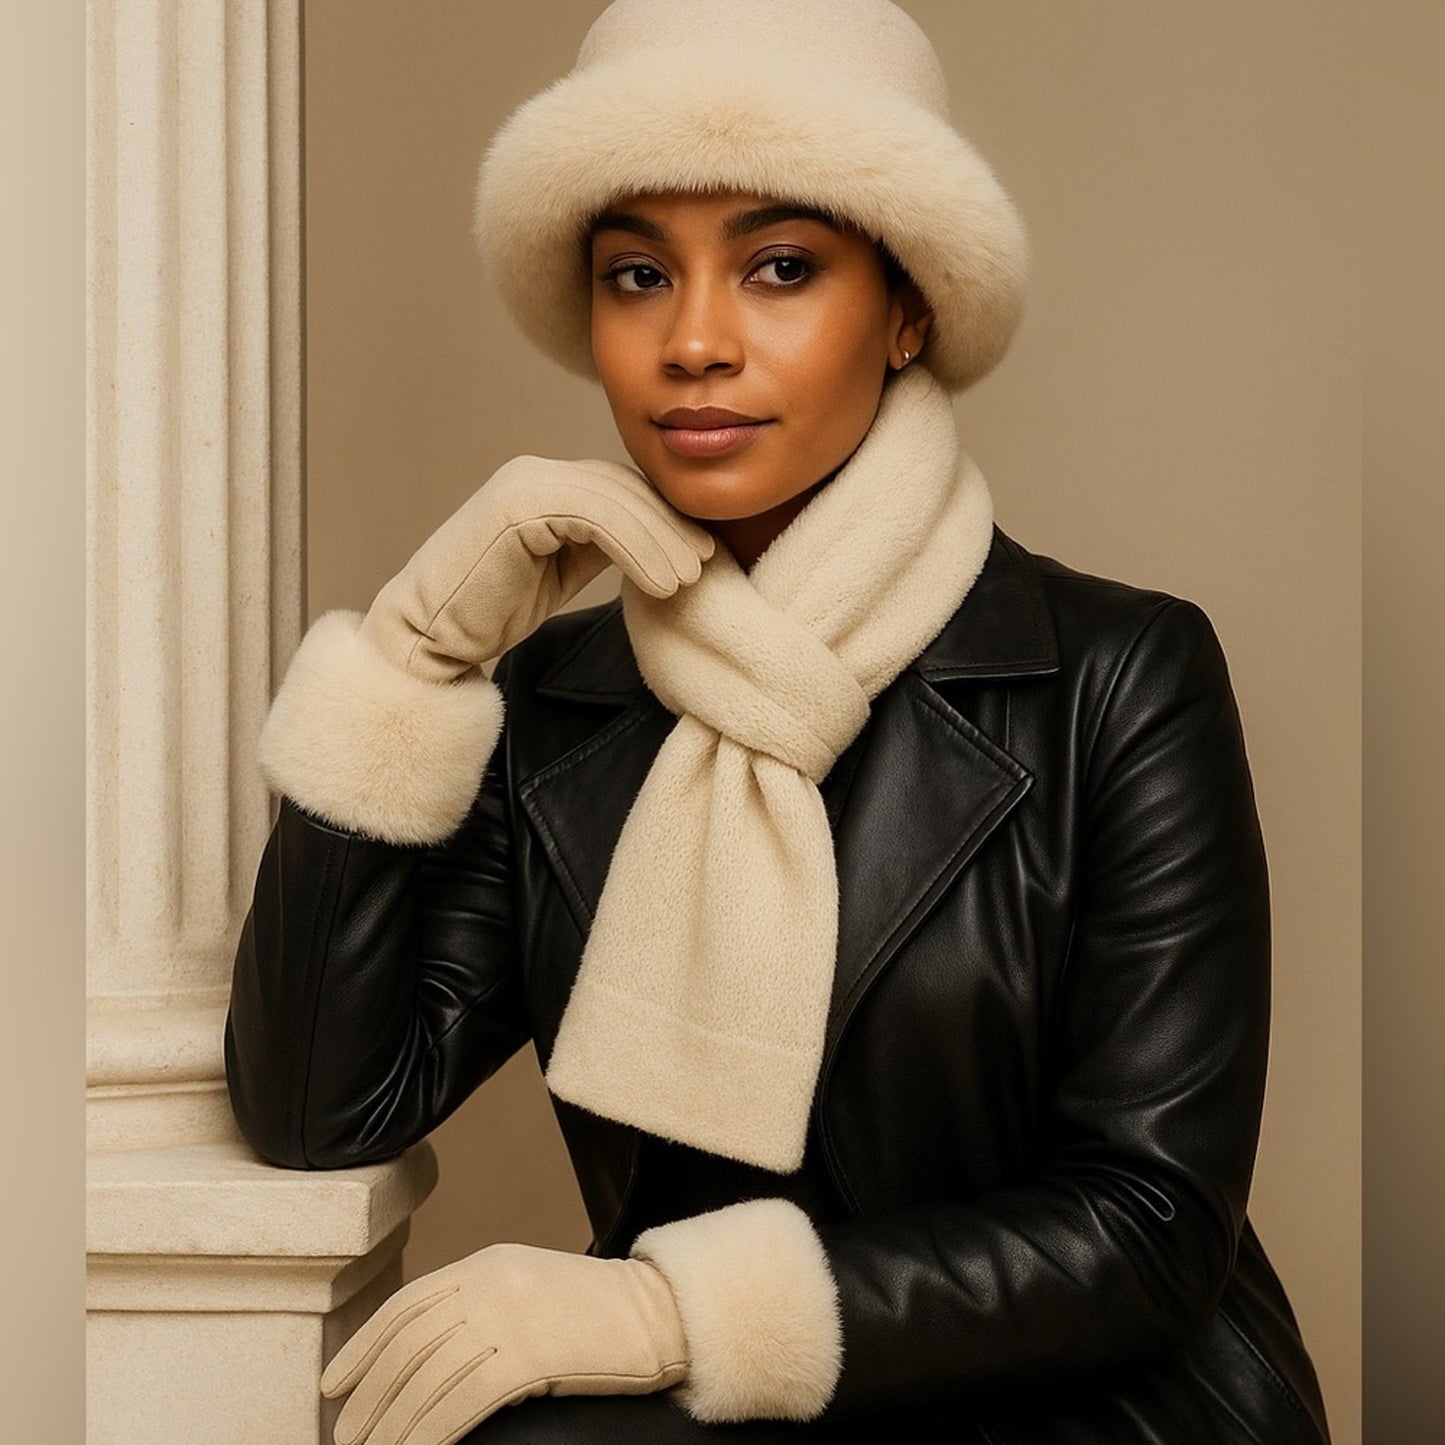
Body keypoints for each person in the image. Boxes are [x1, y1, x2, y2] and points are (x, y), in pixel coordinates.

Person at [225, 2, 1333, 1441]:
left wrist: (659, 1307)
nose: (692, 341)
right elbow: (322, 1107)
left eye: (780, 267)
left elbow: (1145, 1224)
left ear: (909, 303)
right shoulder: (554, 705)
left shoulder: (1121, 673)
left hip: (1094, 1397)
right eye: (636, 273)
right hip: (726, 1409)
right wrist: (414, 655)